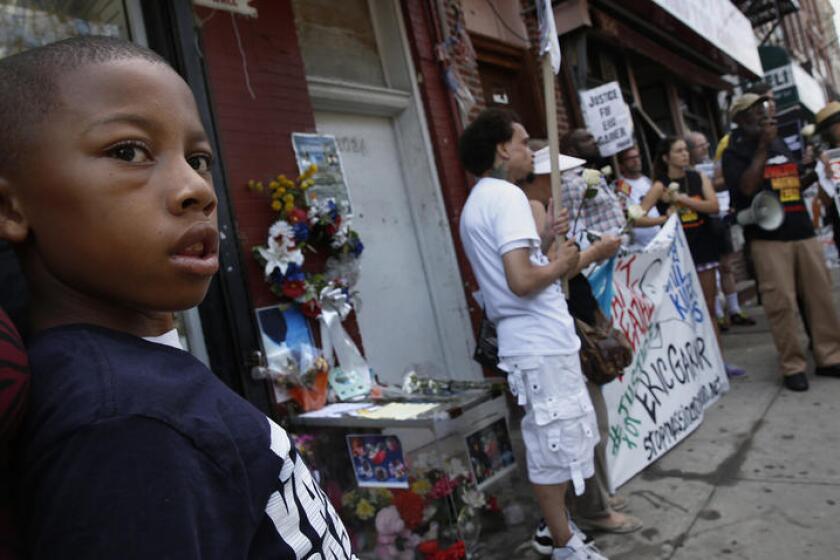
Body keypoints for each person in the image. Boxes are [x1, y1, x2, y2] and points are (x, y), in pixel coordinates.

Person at [0, 36, 355, 558]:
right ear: (10, 209)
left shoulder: (136, 390)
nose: (197, 189)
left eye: (199, 158)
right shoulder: (123, 428)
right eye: (128, 152)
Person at [458, 109, 605, 560]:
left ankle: (558, 531)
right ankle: (563, 542)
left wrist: (543, 243)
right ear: (502, 149)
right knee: (551, 445)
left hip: (538, 340)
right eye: (524, 142)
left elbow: (517, 270)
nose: (530, 151)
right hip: (537, 341)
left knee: (560, 438)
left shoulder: (485, 199)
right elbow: (522, 282)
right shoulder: (504, 197)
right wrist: (563, 262)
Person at [521, 150, 642, 550]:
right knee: (586, 427)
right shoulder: (532, 209)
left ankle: (597, 497)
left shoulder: (548, 209)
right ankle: (591, 508)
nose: (572, 181)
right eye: (565, 174)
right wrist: (593, 253)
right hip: (562, 332)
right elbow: (551, 270)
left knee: (594, 425)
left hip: (575, 322)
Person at [722, 93, 840, 392]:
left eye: (763, 109)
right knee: (781, 303)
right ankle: (793, 366)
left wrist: (814, 173)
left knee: (820, 296)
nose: (763, 115)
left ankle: (829, 357)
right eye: (754, 111)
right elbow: (748, 187)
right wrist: (762, 145)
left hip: (801, 228)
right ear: (738, 118)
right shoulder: (734, 150)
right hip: (768, 238)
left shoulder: (779, 141)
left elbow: (791, 183)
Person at [638, 137, 746, 378]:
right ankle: (693, 366)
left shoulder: (698, 178)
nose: (684, 155)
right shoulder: (659, 185)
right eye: (678, 151)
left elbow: (714, 206)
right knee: (682, 311)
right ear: (666, 157)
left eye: (686, 150)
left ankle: (718, 362)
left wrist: (682, 200)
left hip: (703, 248)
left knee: (709, 306)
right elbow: (637, 217)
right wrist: (663, 219)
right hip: (676, 254)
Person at [615, 145, 663, 250]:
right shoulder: (620, 186)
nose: (636, 161)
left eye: (637, 157)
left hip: (659, 240)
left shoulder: (648, 181)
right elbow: (629, 218)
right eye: (630, 159)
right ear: (620, 166)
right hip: (638, 247)